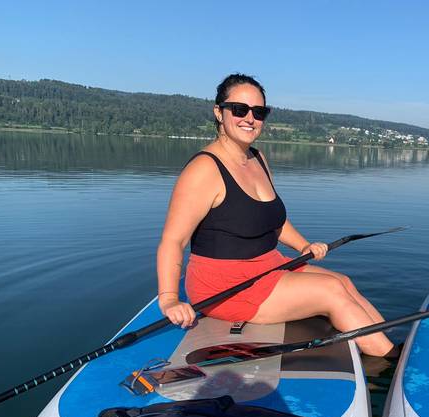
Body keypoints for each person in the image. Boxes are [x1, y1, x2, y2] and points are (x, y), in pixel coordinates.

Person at [157, 73, 397, 358]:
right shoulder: (204, 170)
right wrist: (170, 299)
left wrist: (303, 247)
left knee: (343, 281)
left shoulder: (257, 158)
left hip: (266, 266)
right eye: (239, 109)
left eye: (259, 112)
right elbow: (173, 240)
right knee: (331, 291)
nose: (250, 118)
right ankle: (388, 363)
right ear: (219, 113)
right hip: (223, 284)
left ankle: (387, 344)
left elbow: (273, 221)